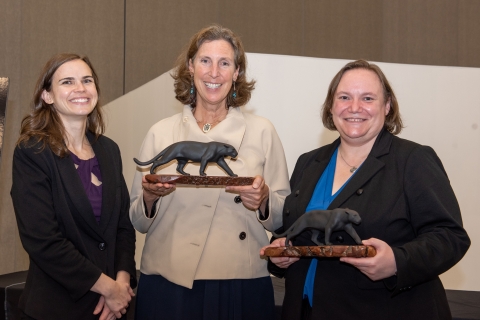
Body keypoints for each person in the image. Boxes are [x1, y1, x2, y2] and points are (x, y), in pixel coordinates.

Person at [261, 60, 470, 320]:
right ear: (331, 106)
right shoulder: (309, 162)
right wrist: (279, 253)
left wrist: (397, 261)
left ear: (387, 106)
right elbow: (295, 227)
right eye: (344, 97)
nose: (355, 107)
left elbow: (450, 237)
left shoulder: (412, 160)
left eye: (368, 98)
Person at [130, 25, 290, 320]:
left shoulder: (263, 132)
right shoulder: (161, 132)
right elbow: (137, 220)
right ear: (190, 67)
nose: (214, 72)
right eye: (205, 61)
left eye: (224, 63)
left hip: (240, 282)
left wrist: (264, 199)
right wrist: (150, 199)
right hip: (168, 281)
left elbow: (283, 215)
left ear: (237, 72)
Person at [11, 53, 137, 320]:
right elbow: (43, 240)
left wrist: (122, 284)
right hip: (56, 308)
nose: (80, 89)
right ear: (48, 96)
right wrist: (108, 288)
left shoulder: (109, 149)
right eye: (67, 82)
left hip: (113, 309)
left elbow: (123, 227)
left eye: (87, 80)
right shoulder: (32, 152)